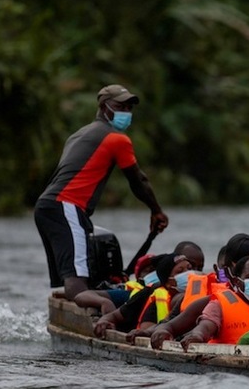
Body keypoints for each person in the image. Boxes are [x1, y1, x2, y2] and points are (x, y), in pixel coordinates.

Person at [34, 84, 169, 314]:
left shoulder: (78, 135)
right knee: (77, 286)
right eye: (120, 106)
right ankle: (107, 307)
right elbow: (138, 180)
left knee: (74, 279)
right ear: (104, 107)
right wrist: (156, 210)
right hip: (66, 205)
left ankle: (94, 302)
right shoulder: (117, 139)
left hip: (48, 206)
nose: (126, 112)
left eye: (129, 107)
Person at [178, 256, 249, 349]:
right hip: (226, 359)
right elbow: (206, 325)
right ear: (237, 281)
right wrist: (198, 334)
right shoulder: (220, 304)